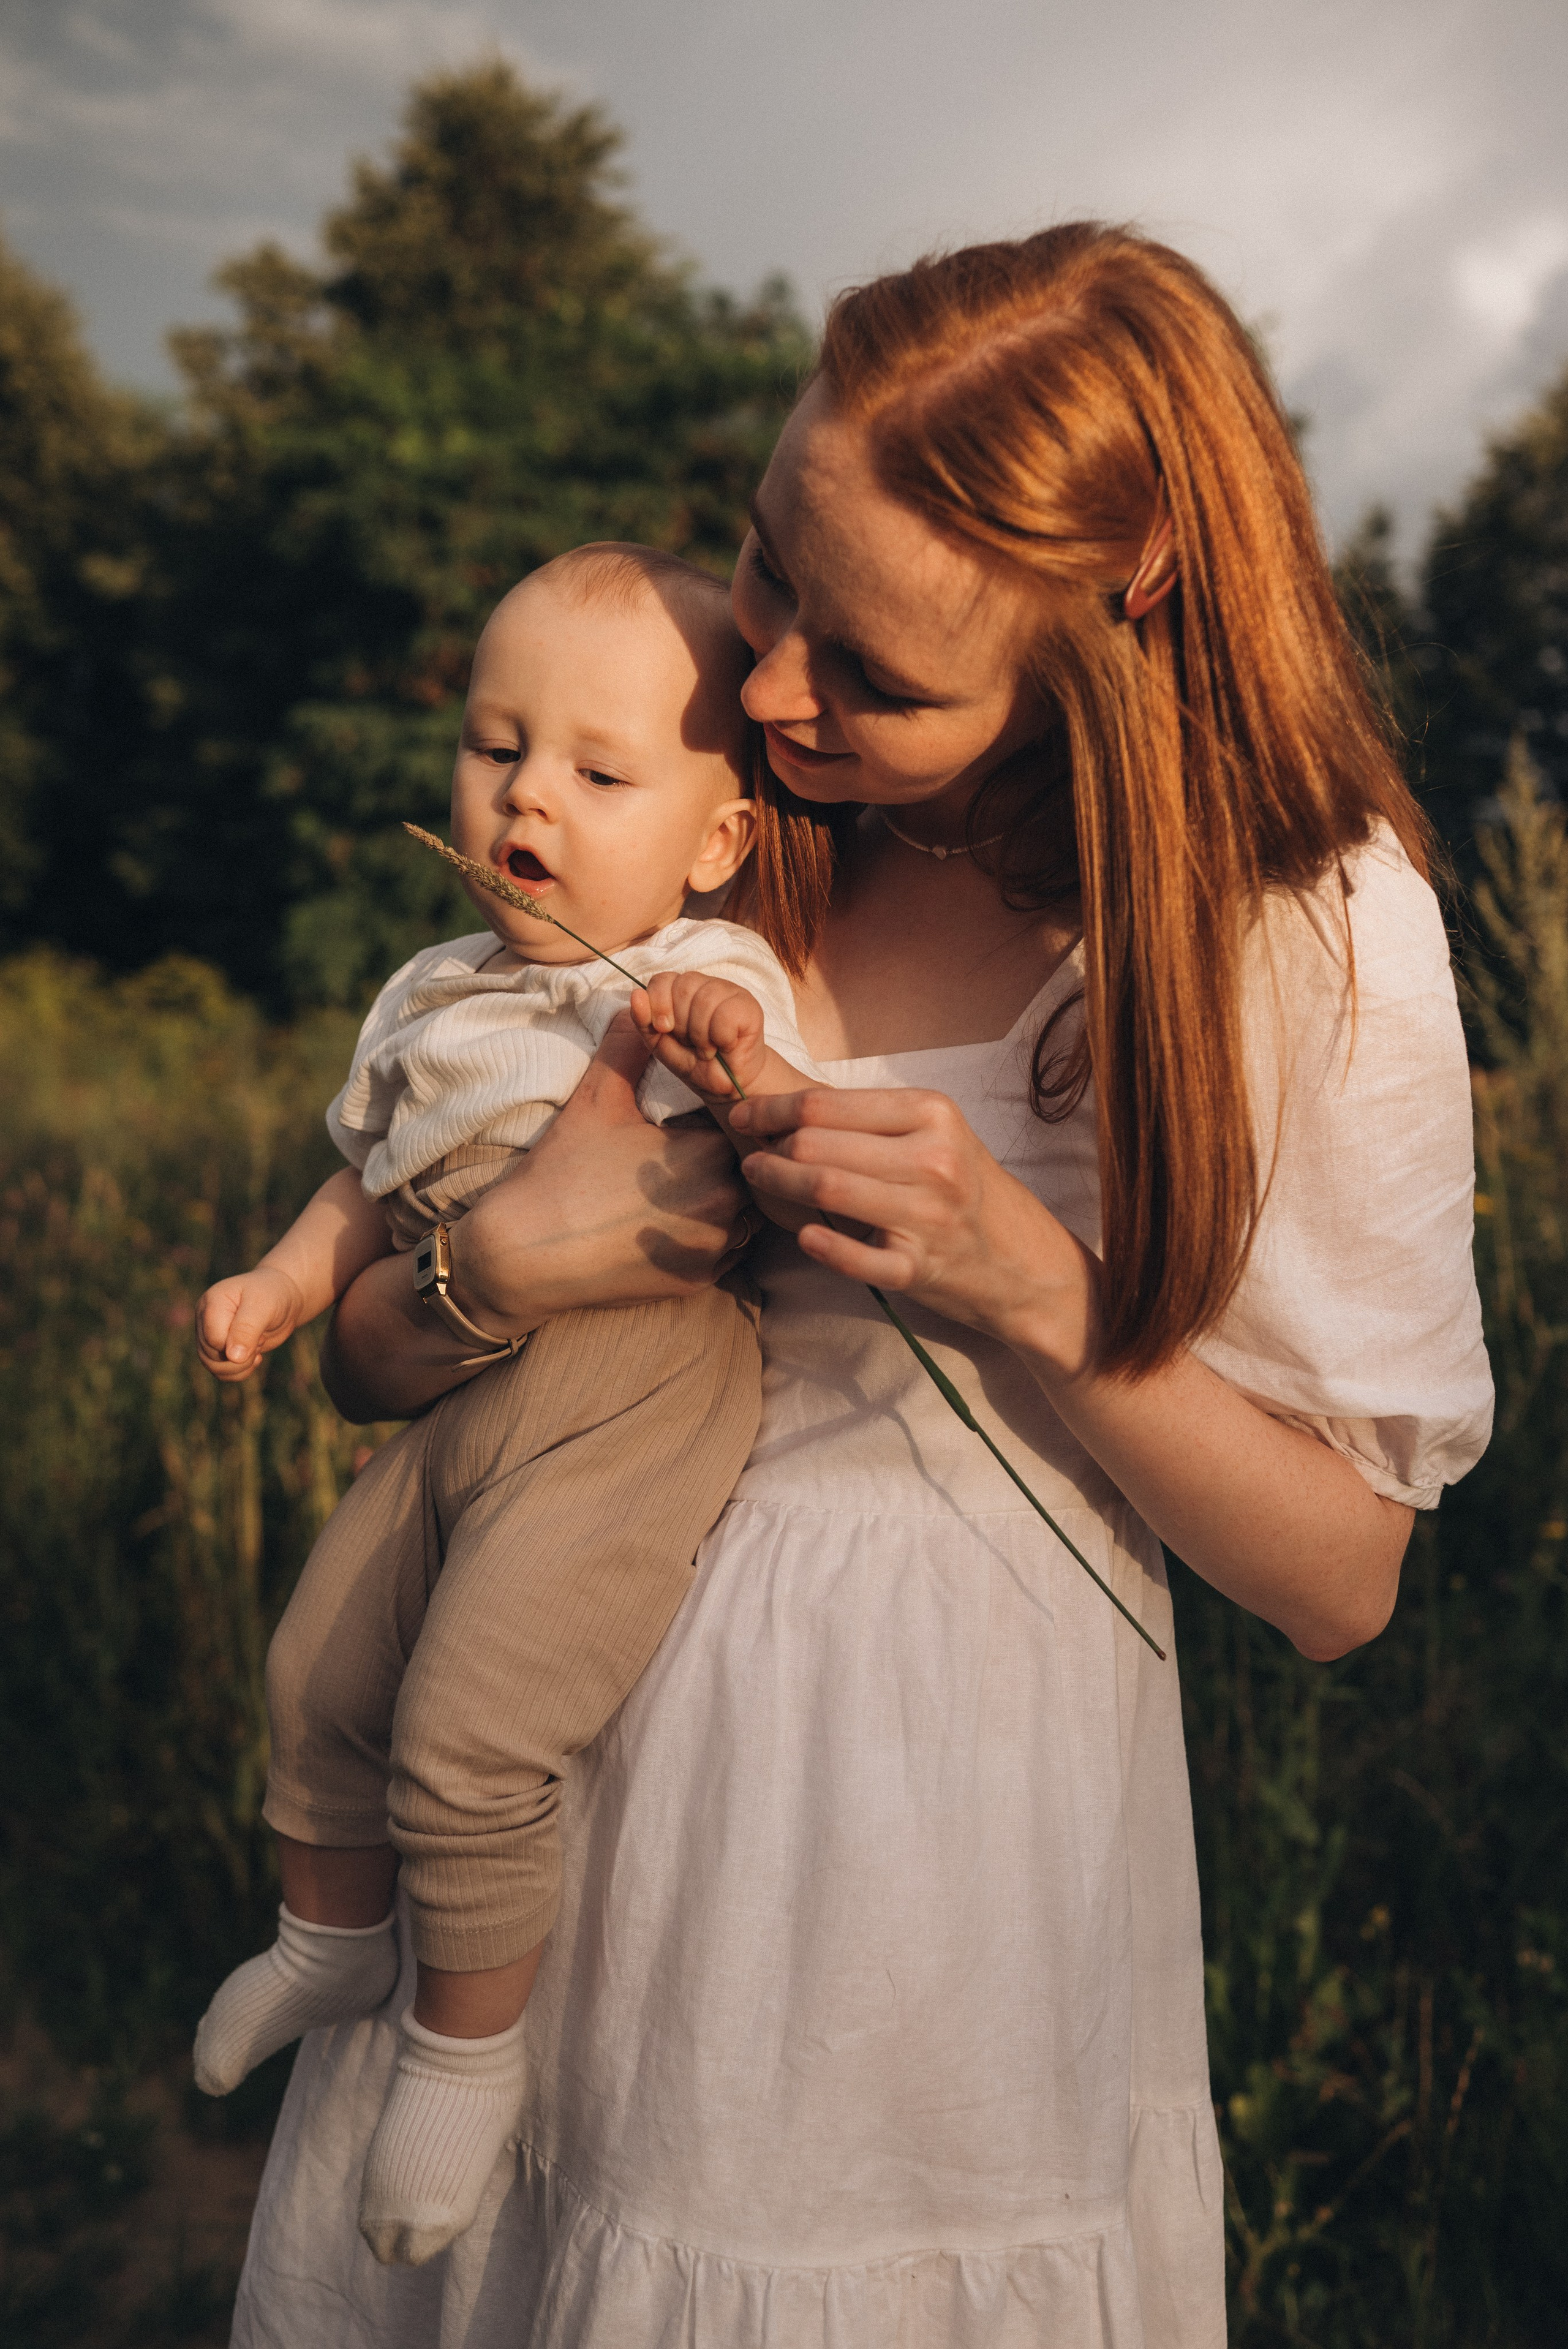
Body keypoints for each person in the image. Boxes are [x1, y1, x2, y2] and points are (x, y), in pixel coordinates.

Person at [232, 224, 1493, 2348]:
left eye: (884, 674)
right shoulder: (725, 804)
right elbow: (376, 1357)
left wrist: (1032, 1284)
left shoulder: (1310, 924)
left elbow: (1343, 1577)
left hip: (916, 1873)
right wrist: (509, 1254)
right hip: (541, 1775)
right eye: (773, 563)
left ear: (1121, 622)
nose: (782, 680)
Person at [191, 543, 824, 2268]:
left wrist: (724, 1046)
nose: (528, 793)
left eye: (598, 772)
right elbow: (358, 1185)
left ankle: (466, 2049)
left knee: (472, 1726)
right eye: (496, 746)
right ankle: (327, 1938)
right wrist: (280, 1280)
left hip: (636, 1376)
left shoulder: (707, 964)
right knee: (317, 1668)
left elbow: (772, 1137)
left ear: (712, 836)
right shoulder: (429, 989)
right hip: (456, 1380)